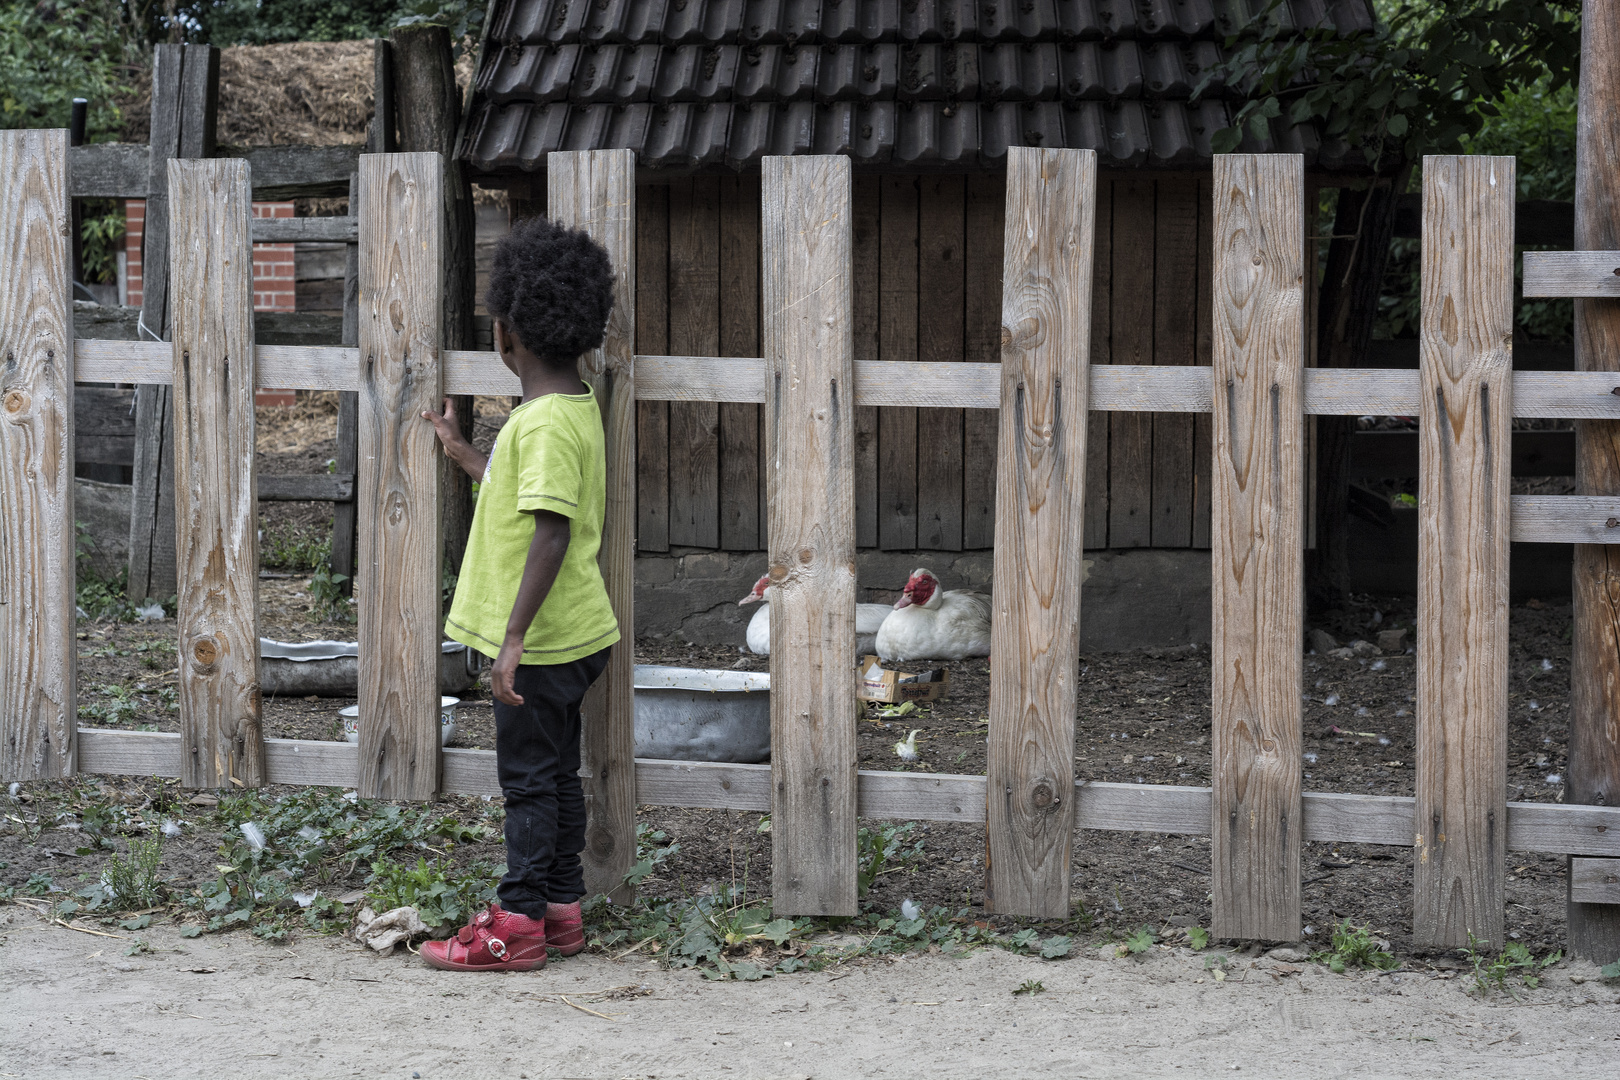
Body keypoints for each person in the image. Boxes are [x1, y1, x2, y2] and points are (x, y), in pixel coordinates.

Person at [417, 217, 620, 972]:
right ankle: (562, 909)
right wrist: (465, 451)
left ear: (505, 334)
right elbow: (526, 494)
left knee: (527, 784)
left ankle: (518, 923)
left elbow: (551, 532)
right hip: (574, 640)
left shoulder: (539, 425)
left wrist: (510, 641)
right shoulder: (573, 409)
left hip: (539, 646)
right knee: (556, 774)